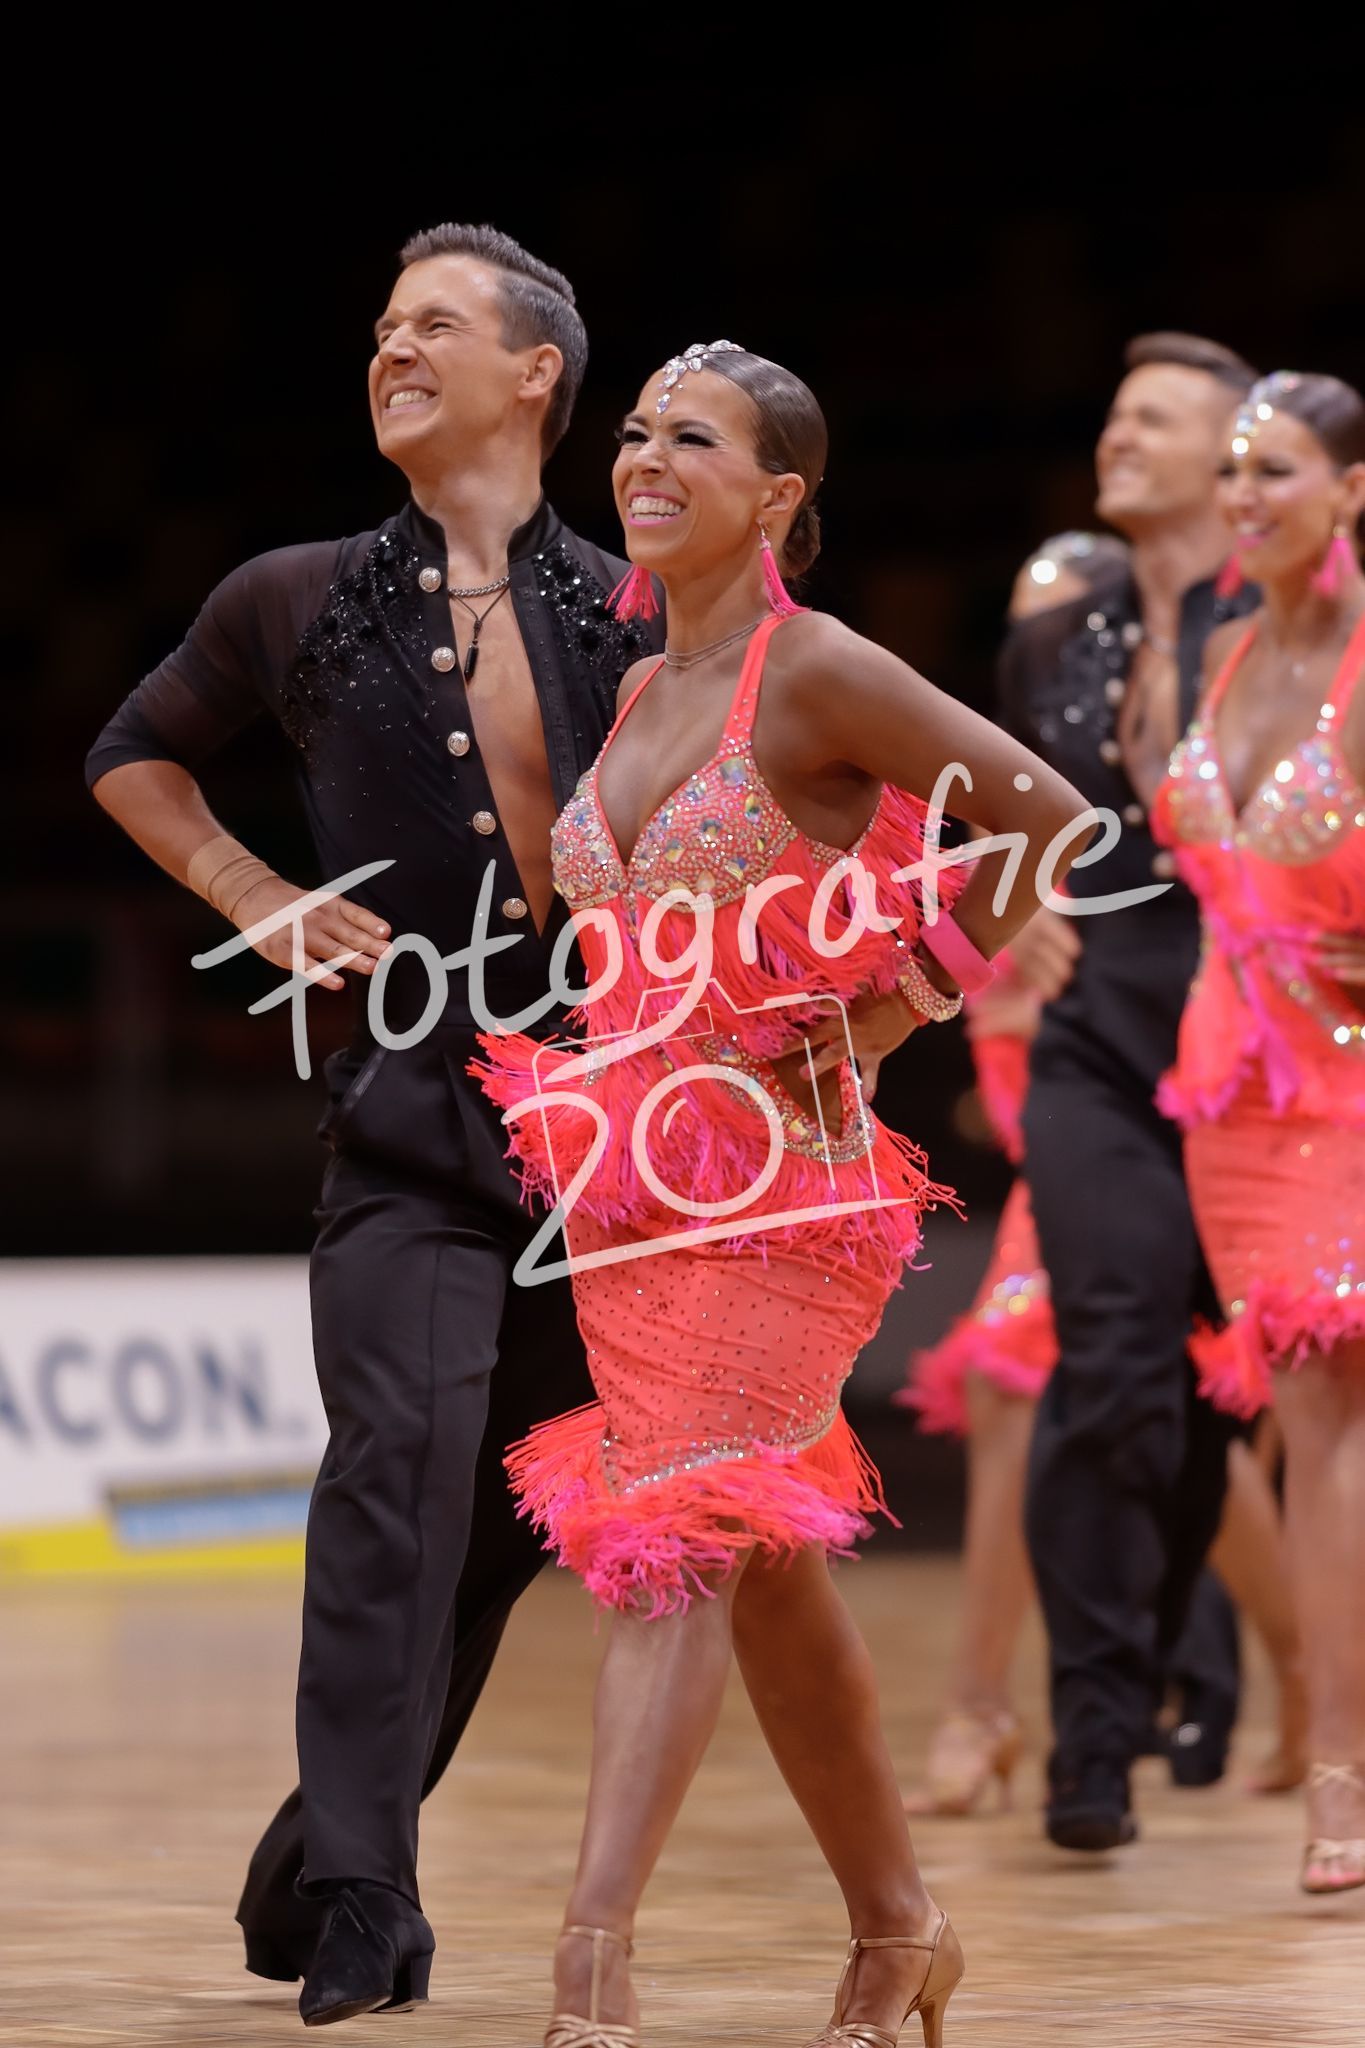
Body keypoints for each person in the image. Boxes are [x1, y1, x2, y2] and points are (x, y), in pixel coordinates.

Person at [475, 341, 1092, 2048]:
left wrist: (903, 1000)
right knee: (757, 1560)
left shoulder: (810, 668)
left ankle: (591, 1959)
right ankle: (900, 1929)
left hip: (786, 1192)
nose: (646, 457)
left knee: (674, 1537)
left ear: (778, 497)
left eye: (695, 437)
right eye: (636, 431)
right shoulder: (631, 695)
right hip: (631, 1196)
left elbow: (1050, 821)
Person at [85, 223, 663, 2027]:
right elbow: (130, 752)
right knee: (390, 1483)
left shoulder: (639, 606)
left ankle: (321, 1847)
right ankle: (365, 1897)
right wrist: (251, 890)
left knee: (502, 1525)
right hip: (411, 1127)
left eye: (433, 326)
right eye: (380, 330)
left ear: (536, 375)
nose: (391, 350)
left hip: (621, 1145)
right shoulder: (296, 593)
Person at [900, 533, 1306, 1815]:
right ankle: (1007, 1705)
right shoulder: (1013, 824)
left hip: (1153, 1109)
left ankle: (1265, 1675)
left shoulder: (1166, 802)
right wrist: (991, 914)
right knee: (1084, 1395)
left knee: (1108, 1393)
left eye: (1067, 615)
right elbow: (948, 901)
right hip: (1060, 1138)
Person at [1000, 332, 1264, 1850]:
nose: (1119, 432)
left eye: (1154, 417)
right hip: (1095, 1036)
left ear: (1233, 461)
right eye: (1114, 411)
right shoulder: (1056, 637)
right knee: (1107, 1360)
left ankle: (1165, 1665)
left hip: (1260, 1048)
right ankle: (1090, 1741)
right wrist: (1000, 910)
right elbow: (977, 808)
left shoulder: (1293, 620)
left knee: (1205, 1405)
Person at [1154, 369, 1365, 1893]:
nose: (1244, 495)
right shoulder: (1222, 652)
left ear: (1351, 489)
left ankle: (1340, 1772)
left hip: (1348, 1084)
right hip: (1226, 1097)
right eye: (1233, 468)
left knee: (1327, 1424)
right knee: (1306, 1429)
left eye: (1276, 468)